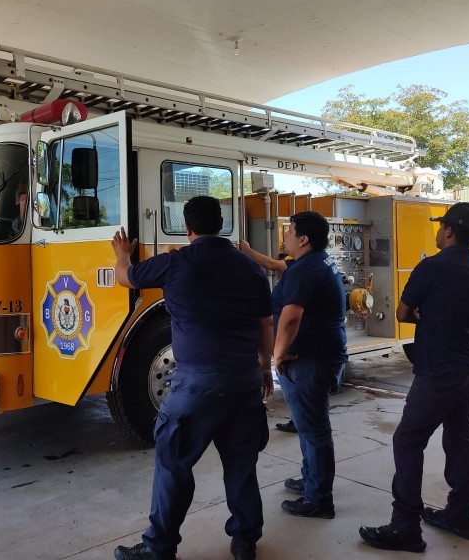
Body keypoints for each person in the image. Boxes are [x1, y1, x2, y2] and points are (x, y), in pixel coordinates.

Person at [112, 196, 274, 560]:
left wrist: (123, 252)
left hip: (197, 386)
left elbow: (125, 278)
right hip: (245, 382)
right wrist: (265, 369)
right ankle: (245, 541)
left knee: (173, 464)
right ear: (222, 224)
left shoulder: (176, 263)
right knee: (241, 465)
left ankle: (159, 548)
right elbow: (265, 325)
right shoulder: (249, 269)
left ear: (188, 228)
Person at [360, 202, 469, 552]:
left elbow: (403, 313)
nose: (437, 231)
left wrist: (426, 314)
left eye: (440, 226)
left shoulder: (431, 266)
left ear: (448, 231)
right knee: (460, 442)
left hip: (438, 371)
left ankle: (405, 527)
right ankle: (461, 515)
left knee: (407, 441)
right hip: (467, 369)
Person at [272, 211, 347, 518]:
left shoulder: (306, 270)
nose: (285, 236)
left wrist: (277, 353)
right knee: (308, 426)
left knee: (313, 429)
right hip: (319, 356)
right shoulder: (317, 262)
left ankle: (319, 499)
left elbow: (290, 317)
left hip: (309, 361)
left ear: (303, 239)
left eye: (288, 231)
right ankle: (311, 480)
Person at [238, 239, 298, 435]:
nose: (285, 237)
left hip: (290, 342)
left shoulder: (298, 266)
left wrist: (247, 250)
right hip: (285, 336)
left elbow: (271, 264)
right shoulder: (303, 265)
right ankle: (298, 419)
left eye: (290, 233)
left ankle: (300, 421)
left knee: (296, 387)